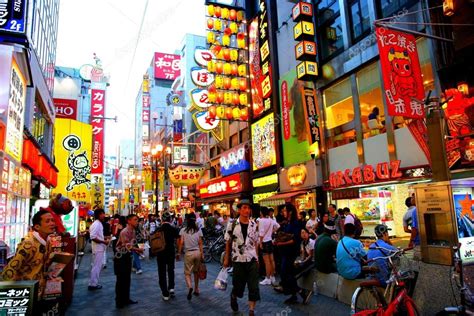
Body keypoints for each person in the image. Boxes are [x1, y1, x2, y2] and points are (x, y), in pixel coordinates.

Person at [2, 210, 56, 300]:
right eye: (47, 221)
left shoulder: (48, 241)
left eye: (52, 220)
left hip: (37, 291)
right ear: (37, 226)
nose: (52, 223)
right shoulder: (29, 244)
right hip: (24, 293)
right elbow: (12, 268)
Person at [223, 199, 260, 315]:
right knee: (238, 285)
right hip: (238, 259)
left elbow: (256, 242)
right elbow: (228, 242)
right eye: (244, 208)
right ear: (239, 210)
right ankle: (234, 295)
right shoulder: (232, 224)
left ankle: (251, 310)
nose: (247, 210)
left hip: (252, 259)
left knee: (253, 286)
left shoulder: (254, 225)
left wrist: (257, 257)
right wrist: (226, 258)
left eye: (248, 208)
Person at [274, 203, 310, 304]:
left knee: (285, 273)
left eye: (285, 210)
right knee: (288, 273)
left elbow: (295, 240)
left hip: (291, 252)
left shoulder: (295, 223)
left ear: (290, 212)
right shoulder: (287, 223)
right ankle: (294, 295)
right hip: (285, 252)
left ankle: (300, 291)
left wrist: (281, 242)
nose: (283, 212)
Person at [114, 214, 143, 309]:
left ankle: (126, 299)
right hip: (120, 257)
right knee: (121, 280)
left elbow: (133, 244)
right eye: (135, 220)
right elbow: (128, 246)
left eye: (137, 220)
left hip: (127, 256)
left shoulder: (133, 231)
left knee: (127, 279)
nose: (137, 222)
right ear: (129, 221)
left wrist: (139, 250)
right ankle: (119, 301)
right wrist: (138, 250)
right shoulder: (124, 232)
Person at [177, 212, 204, 300]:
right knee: (196, 272)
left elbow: (181, 243)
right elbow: (200, 243)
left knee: (187, 273)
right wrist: (202, 254)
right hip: (197, 253)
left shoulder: (183, 230)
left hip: (188, 253)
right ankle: (196, 289)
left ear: (187, 221)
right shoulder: (198, 230)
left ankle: (190, 287)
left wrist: (179, 253)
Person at [156, 211, 180, 301]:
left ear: (162, 219)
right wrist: (178, 251)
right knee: (171, 270)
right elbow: (178, 240)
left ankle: (165, 293)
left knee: (161, 272)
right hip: (171, 251)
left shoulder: (159, 229)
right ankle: (171, 288)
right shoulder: (173, 229)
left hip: (160, 252)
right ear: (170, 219)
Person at [258, 206, 280, 286]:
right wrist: (272, 232)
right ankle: (272, 276)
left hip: (264, 242)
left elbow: (261, 233)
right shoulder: (271, 220)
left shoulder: (260, 221)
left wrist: (260, 243)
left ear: (262, 212)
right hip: (270, 241)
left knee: (266, 262)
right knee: (272, 260)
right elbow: (278, 226)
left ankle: (267, 278)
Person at [89, 209, 108, 290]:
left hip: (98, 248)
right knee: (96, 266)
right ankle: (93, 284)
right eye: (102, 214)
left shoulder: (98, 223)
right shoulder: (97, 224)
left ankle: (93, 283)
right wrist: (103, 241)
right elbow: (93, 237)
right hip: (98, 248)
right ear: (99, 215)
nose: (104, 215)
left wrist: (105, 238)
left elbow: (97, 235)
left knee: (97, 266)